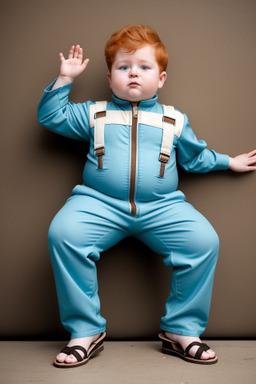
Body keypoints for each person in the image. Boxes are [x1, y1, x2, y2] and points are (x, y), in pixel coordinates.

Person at [37, 25, 256, 367]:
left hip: (162, 207)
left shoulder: (174, 120)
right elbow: (51, 116)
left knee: (204, 241)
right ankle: (85, 330)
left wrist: (230, 161)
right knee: (64, 234)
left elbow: (196, 157)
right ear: (110, 79)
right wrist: (65, 79)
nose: (134, 73)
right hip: (97, 203)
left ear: (162, 78)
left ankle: (181, 330)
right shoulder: (94, 113)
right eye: (124, 68)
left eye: (144, 67)